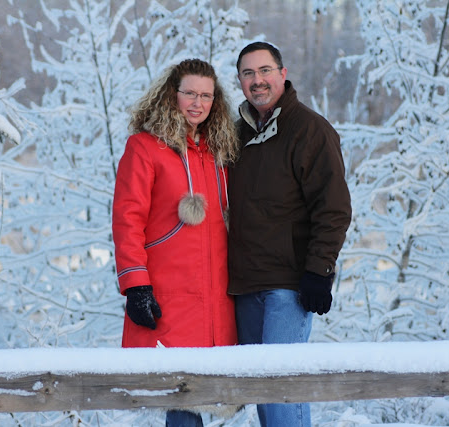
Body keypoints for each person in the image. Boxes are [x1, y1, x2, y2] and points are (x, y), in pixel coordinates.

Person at [228, 42, 352, 427]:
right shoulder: (235, 135)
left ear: (282, 74)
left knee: (282, 394)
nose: (257, 80)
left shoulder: (310, 130)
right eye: (248, 73)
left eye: (265, 70)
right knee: (264, 398)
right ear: (239, 81)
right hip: (243, 286)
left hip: (288, 287)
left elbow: (333, 207)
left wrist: (320, 270)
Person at [112, 58, 239, 427]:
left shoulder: (220, 152)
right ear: (172, 94)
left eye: (206, 96)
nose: (198, 103)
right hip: (168, 298)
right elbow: (127, 219)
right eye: (190, 94)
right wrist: (136, 284)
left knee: (209, 398)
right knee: (181, 400)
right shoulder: (144, 147)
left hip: (217, 300)